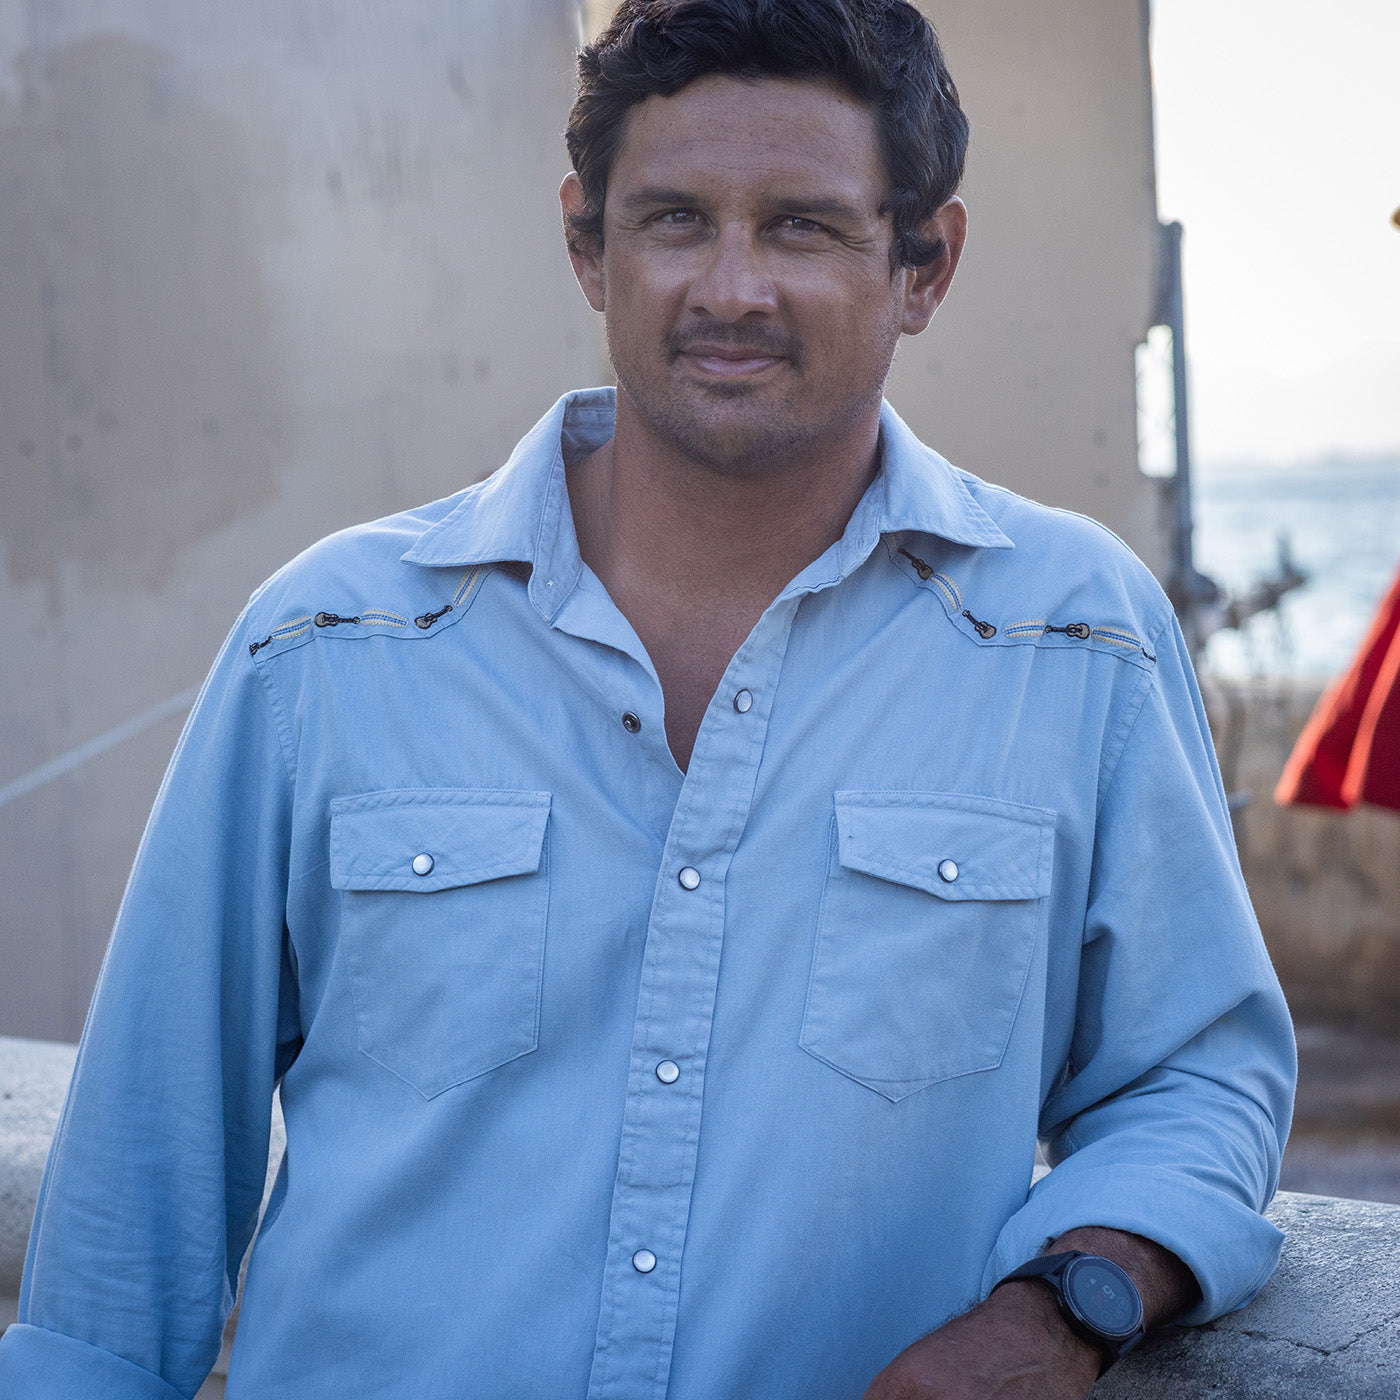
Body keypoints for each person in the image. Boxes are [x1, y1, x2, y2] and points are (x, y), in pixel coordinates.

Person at [0, 2, 1295, 1397]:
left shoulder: (1072, 640)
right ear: (587, 246)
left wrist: (1061, 1309)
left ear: (925, 263)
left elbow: (1197, 1076)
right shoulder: (327, 644)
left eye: (802, 227)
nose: (731, 289)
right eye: (676, 220)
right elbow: (136, 1189)